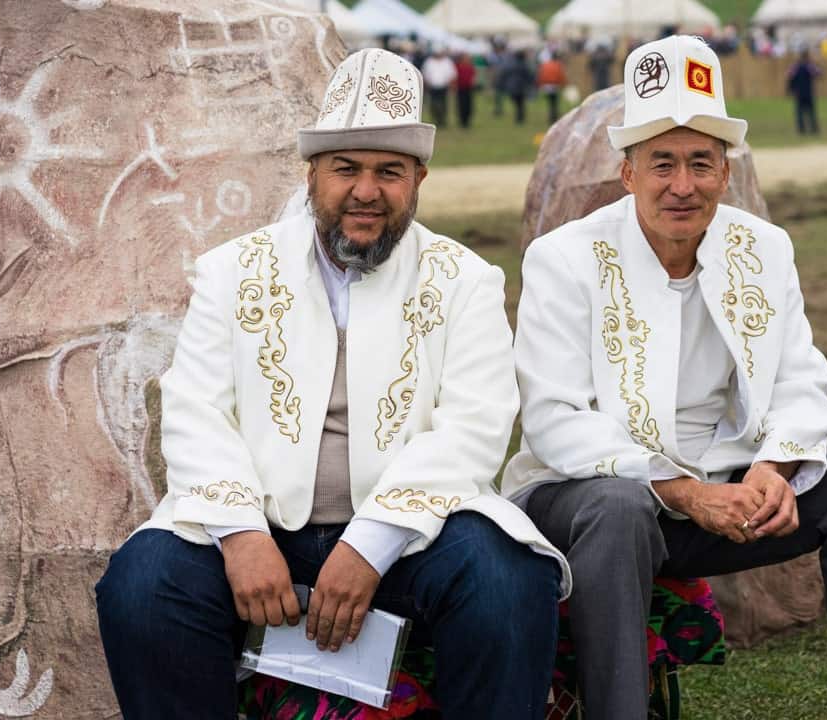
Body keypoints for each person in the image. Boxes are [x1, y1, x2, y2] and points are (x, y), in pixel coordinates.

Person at [95, 48, 569, 720]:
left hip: (410, 537)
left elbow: (475, 426)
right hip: (260, 530)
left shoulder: (464, 278)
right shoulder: (233, 271)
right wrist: (238, 534)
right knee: (143, 586)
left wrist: (370, 542)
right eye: (346, 168)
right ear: (312, 172)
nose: (366, 191)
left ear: (420, 179)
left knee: (507, 579)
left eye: (389, 172)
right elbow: (195, 411)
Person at [503, 36, 827, 720]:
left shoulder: (763, 247)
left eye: (702, 162)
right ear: (627, 170)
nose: (683, 185)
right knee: (619, 506)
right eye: (662, 162)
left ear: (726, 172)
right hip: (584, 503)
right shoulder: (564, 259)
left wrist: (777, 466)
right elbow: (553, 420)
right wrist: (685, 491)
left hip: (723, 499)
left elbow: (802, 380)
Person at [787, 49, 821, 134]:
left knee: (799, 112)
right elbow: (818, 73)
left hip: (799, 93)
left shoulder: (795, 66)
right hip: (808, 92)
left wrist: (790, 89)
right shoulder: (809, 66)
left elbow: (790, 76)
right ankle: (814, 128)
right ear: (807, 57)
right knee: (811, 112)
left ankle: (801, 129)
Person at [421, 46, 456, 128]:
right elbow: (425, 73)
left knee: (443, 104)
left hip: (444, 86)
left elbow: (452, 74)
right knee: (434, 104)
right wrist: (427, 83)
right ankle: (435, 119)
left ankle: (442, 120)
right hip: (432, 87)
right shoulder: (429, 62)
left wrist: (450, 84)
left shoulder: (447, 62)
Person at [499, 49, 535, 125]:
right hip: (521, 87)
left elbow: (504, 75)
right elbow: (529, 76)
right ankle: (520, 117)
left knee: (517, 103)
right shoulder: (523, 65)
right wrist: (531, 83)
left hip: (512, 87)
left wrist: (502, 84)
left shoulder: (510, 64)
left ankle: (519, 117)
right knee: (520, 103)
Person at [536, 51, 568, 124]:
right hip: (555, 85)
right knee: (555, 103)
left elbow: (541, 75)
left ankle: (551, 117)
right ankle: (554, 117)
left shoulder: (545, 65)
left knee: (550, 103)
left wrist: (540, 84)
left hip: (546, 86)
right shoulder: (558, 65)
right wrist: (564, 84)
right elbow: (561, 75)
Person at [454, 52, 477, 129]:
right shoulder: (458, 66)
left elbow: (473, 76)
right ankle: (462, 120)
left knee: (469, 105)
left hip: (469, 89)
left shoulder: (470, 67)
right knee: (461, 104)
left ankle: (467, 120)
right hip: (460, 89)